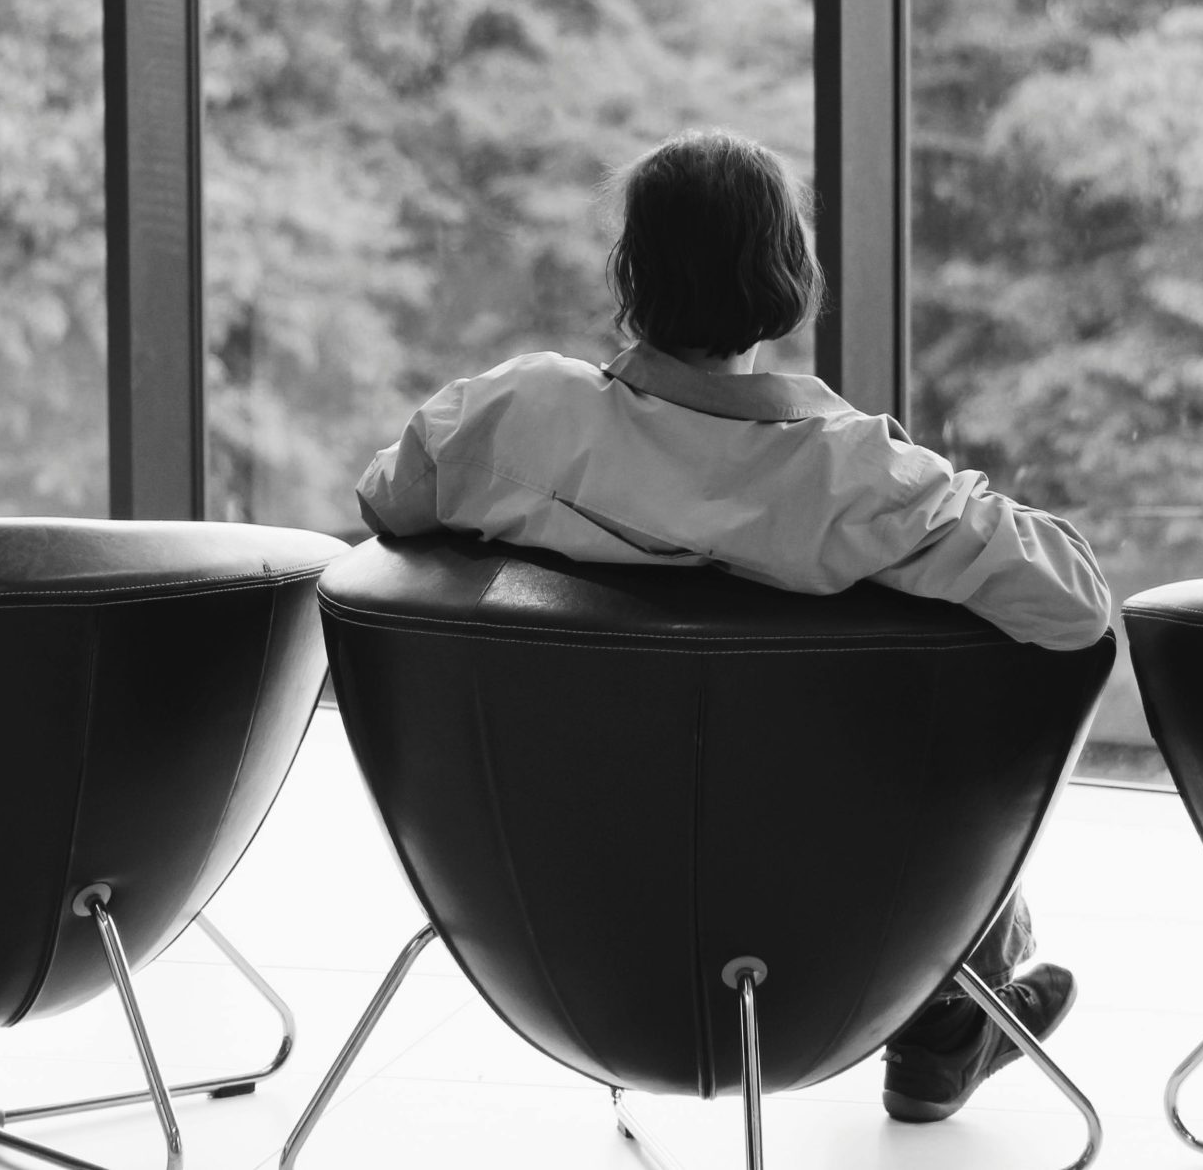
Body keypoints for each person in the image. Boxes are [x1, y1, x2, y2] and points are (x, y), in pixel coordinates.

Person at [354, 128, 1114, 1125]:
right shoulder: (859, 481)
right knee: (923, 678)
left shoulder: (512, 415)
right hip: (830, 937)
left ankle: (947, 1022)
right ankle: (946, 1014)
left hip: (564, 909)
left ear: (631, 274)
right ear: (789, 273)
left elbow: (385, 501)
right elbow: (1074, 608)